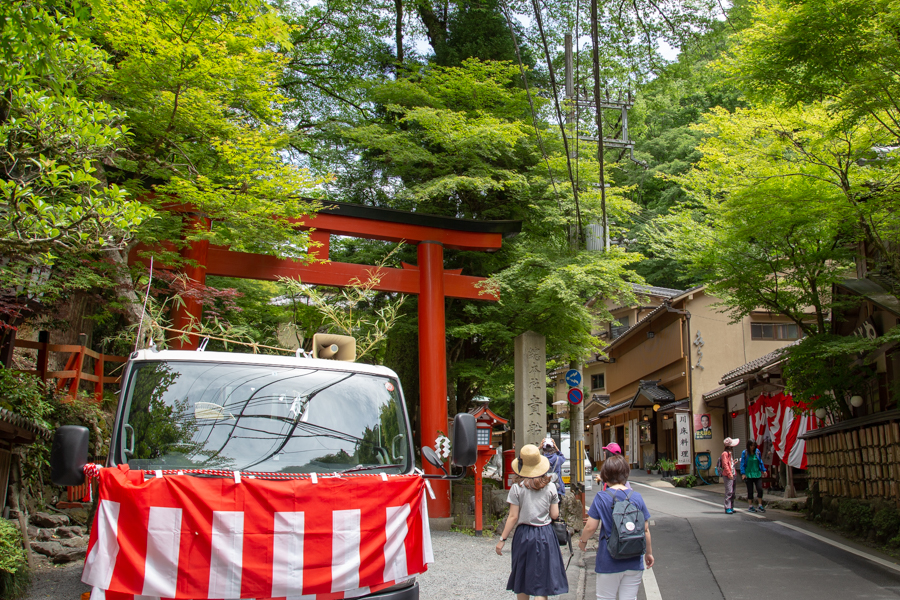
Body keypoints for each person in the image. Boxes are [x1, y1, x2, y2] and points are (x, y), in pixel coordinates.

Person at [496, 444, 569, 600]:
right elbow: (555, 515)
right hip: (545, 534)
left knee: (522, 577)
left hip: (523, 535)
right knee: (541, 580)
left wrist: (502, 539)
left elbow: (513, 517)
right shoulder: (550, 487)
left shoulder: (517, 487)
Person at [578, 454, 654, 600]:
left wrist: (582, 542)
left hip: (609, 560)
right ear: (625, 473)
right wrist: (648, 553)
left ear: (605, 474)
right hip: (633, 558)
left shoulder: (601, 497)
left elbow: (590, 528)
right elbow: (645, 529)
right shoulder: (636, 497)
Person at [740, 439, 767, 513]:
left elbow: (760, 462)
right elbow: (742, 463)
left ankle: (760, 505)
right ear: (748, 446)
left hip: (757, 473)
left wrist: (763, 470)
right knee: (750, 490)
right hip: (748, 474)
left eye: (754, 445)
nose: (753, 447)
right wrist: (743, 473)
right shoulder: (745, 453)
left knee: (760, 489)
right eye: (751, 445)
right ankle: (750, 506)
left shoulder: (757, 452)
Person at [720, 438, 739, 514]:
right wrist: (729, 473)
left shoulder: (729, 453)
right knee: (729, 491)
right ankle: (727, 507)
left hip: (733, 473)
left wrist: (733, 463)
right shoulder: (725, 454)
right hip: (728, 475)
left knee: (733, 492)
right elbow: (725, 464)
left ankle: (731, 506)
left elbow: (729, 464)